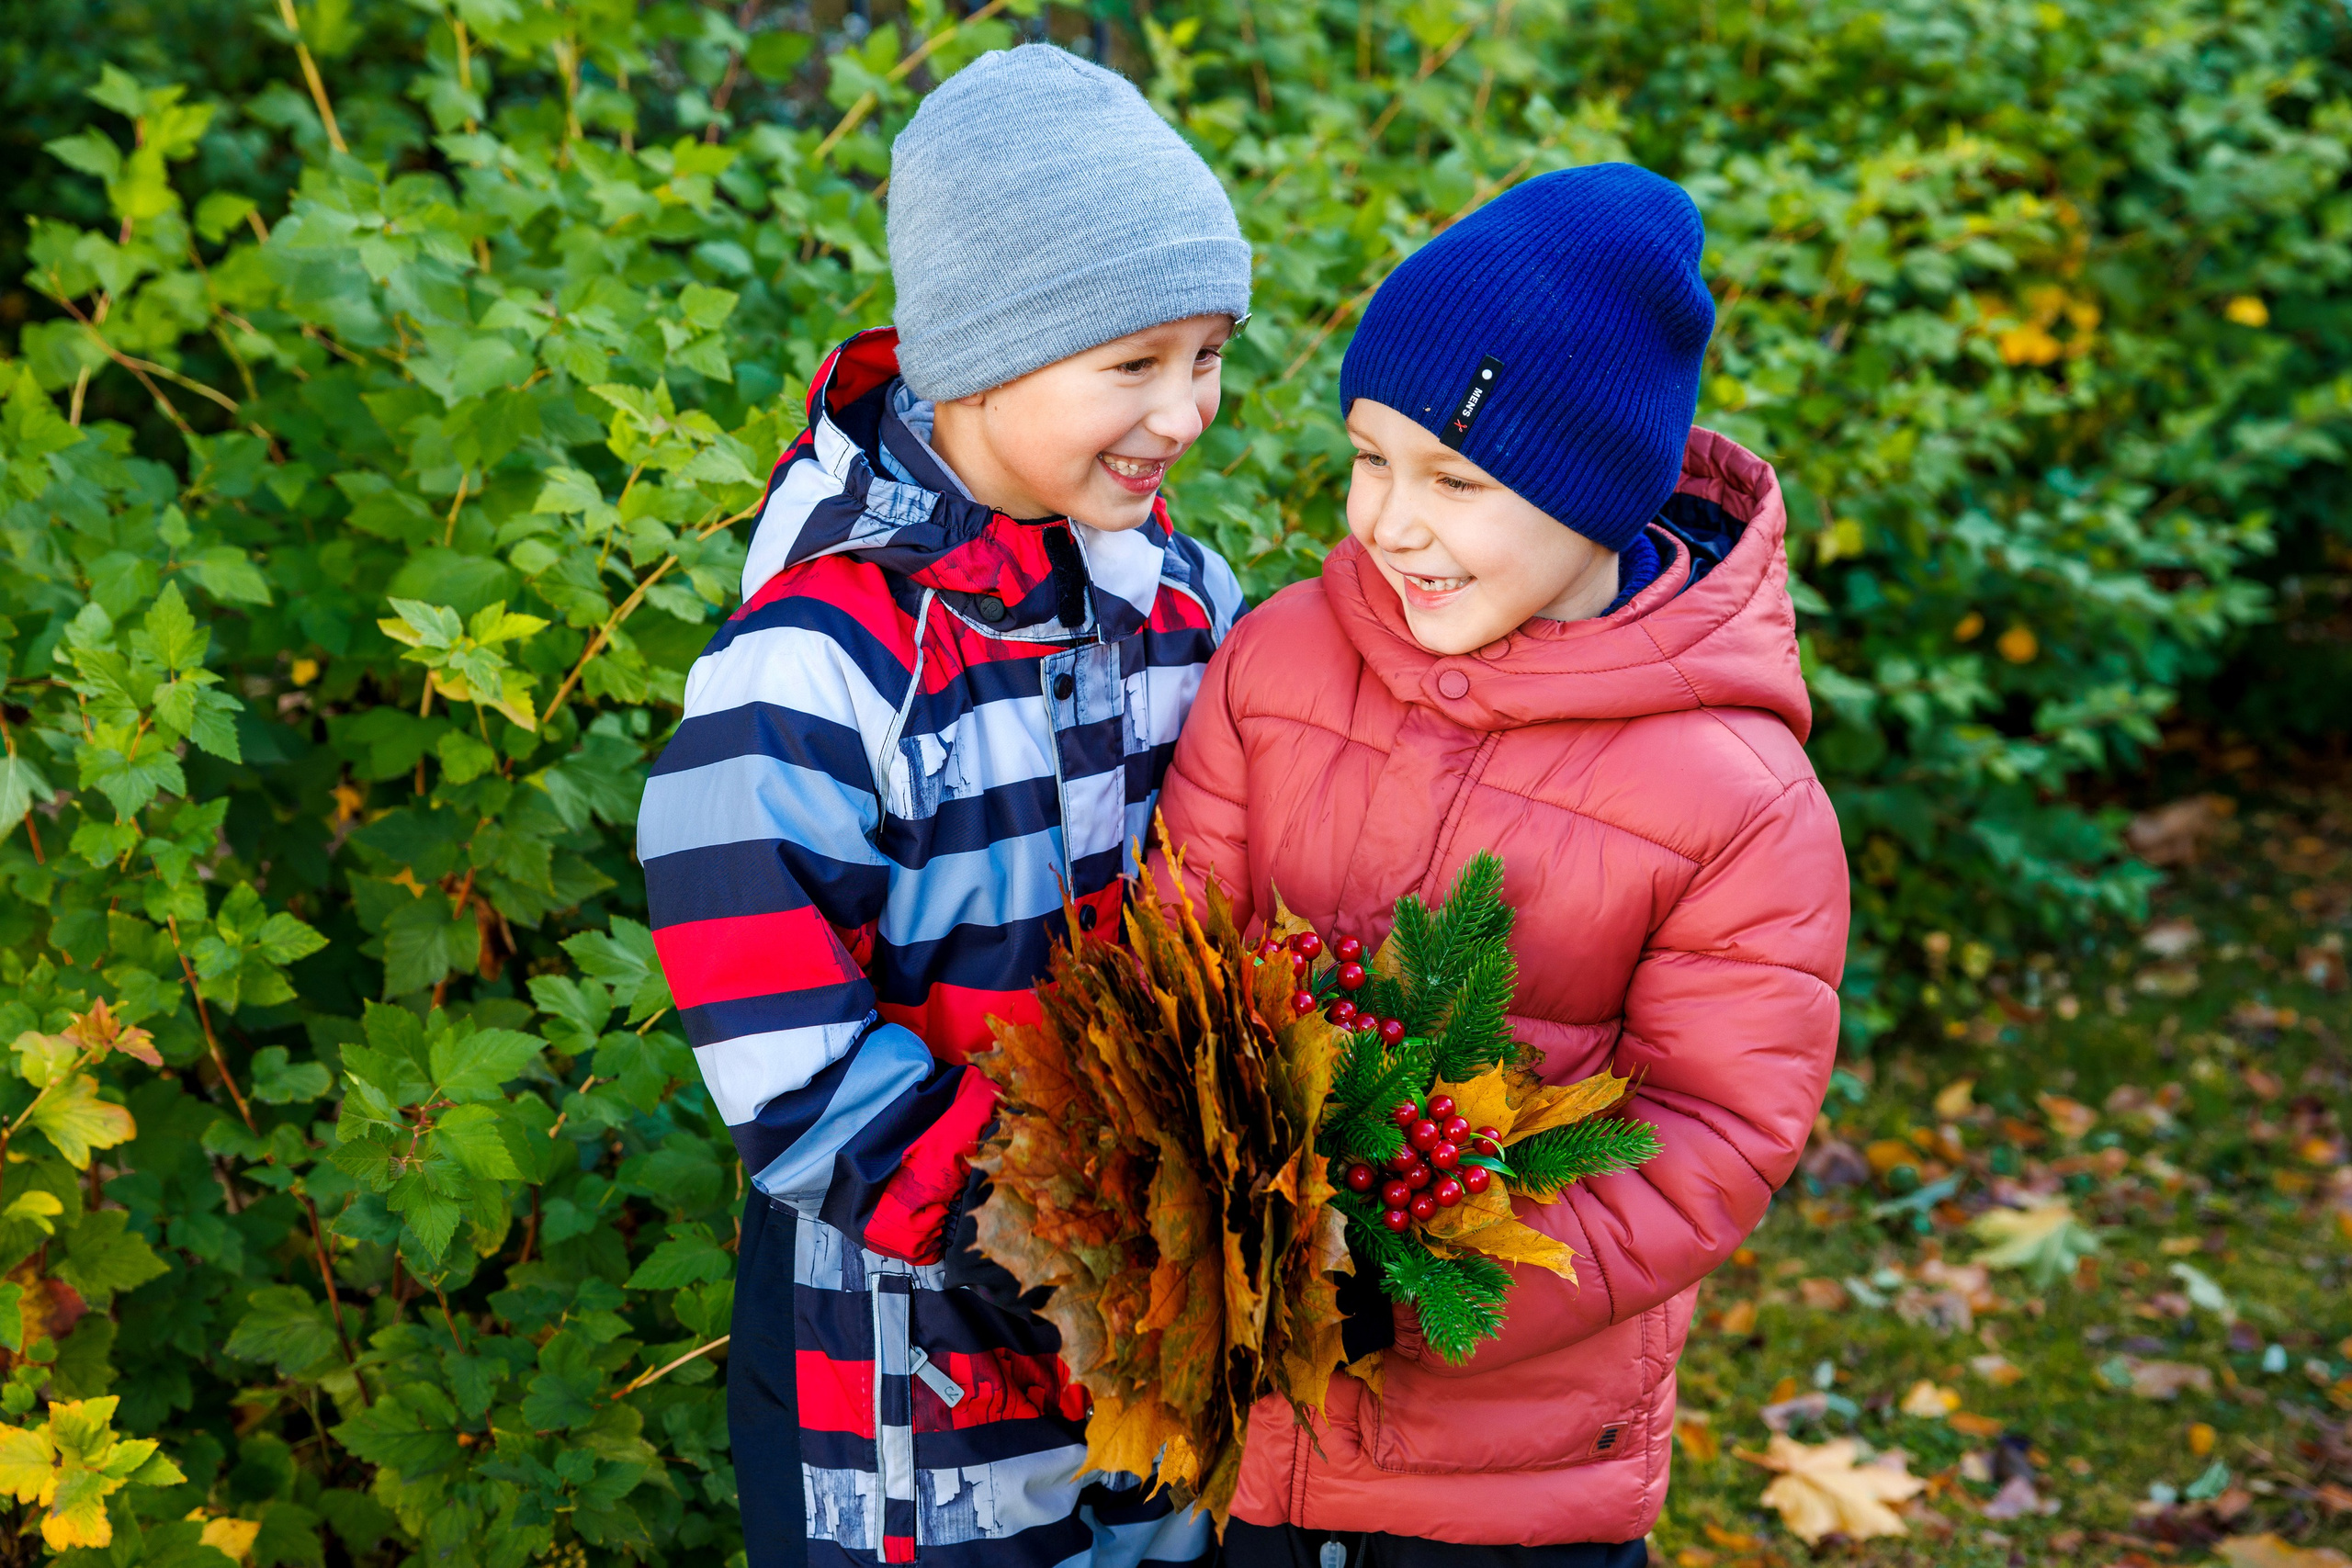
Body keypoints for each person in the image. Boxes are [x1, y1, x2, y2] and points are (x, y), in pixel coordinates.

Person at [1154, 164, 1849, 1567]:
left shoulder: (1736, 799)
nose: (1393, 522)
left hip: (1508, 1476)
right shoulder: (1281, 661)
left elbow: (1708, 1139)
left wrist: (1421, 1294)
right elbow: (1178, 956)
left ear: (1600, 490)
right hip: (1250, 1436)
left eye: (1456, 479)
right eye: (1370, 458)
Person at [639, 44, 1248, 1568]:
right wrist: (1039, 1236)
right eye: (1134, 363)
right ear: (984, 350)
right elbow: (780, 1048)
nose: (1184, 413)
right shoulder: (818, 661)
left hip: (1160, 1291)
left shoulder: (1186, 603)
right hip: (904, 1333)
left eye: (1211, 356)